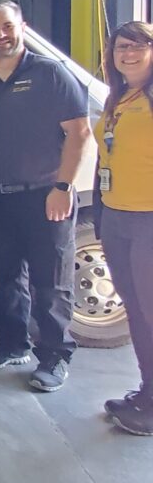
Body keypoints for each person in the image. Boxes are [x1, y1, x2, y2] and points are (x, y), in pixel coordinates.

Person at [0, 0, 91, 392]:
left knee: (49, 281)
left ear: (22, 26)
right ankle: (10, 343)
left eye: (6, 26)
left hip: (45, 195)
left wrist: (63, 187)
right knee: (5, 276)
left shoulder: (50, 74)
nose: (0, 35)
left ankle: (54, 357)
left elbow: (80, 132)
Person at [94, 21, 153, 435]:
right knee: (136, 311)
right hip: (117, 216)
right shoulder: (120, 96)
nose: (127, 54)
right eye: (120, 48)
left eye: (136, 46)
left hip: (148, 218)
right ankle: (147, 393)